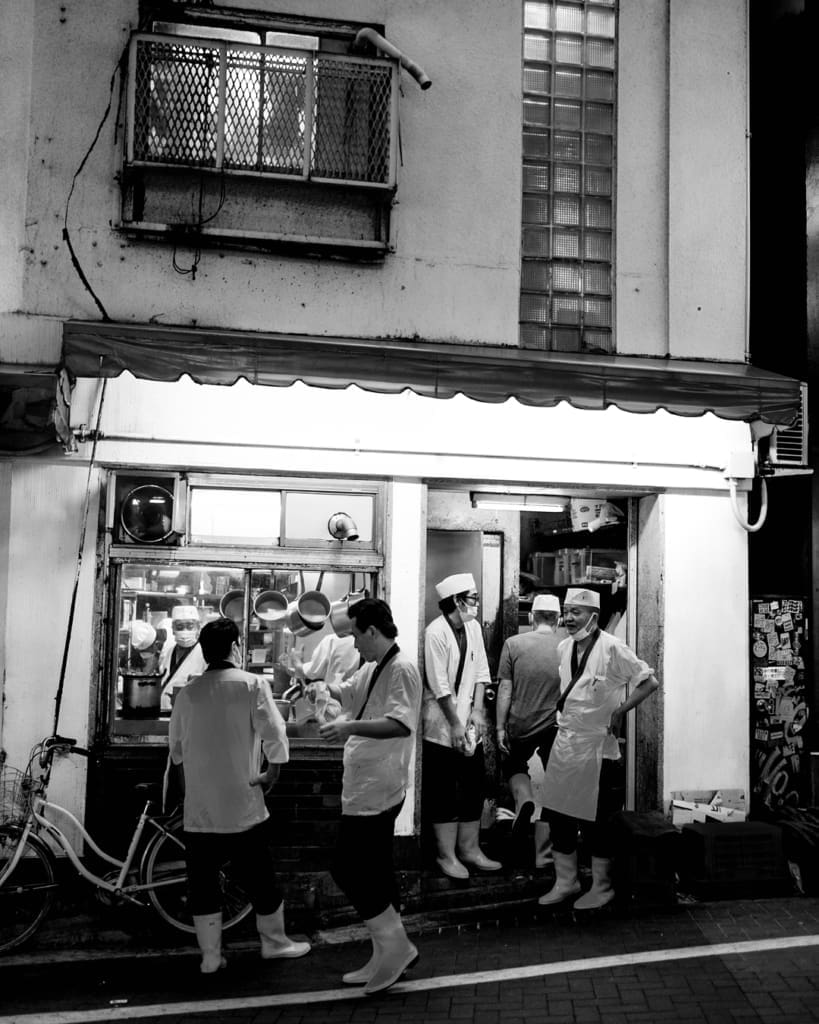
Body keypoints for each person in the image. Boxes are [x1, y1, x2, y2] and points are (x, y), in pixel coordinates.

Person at [168, 617, 310, 975]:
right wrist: (271, 773)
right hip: (243, 803)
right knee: (260, 878)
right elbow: (275, 734)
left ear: (202, 651)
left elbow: (177, 751)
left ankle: (211, 956)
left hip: (200, 810)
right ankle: (275, 944)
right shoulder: (251, 685)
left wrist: (190, 796)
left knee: (202, 883)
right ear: (235, 647)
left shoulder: (188, 693)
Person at [305, 597, 422, 995]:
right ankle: (383, 953)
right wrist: (322, 689)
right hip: (364, 787)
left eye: (356, 635)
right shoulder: (375, 667)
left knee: (348, 869)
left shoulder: (403, 669)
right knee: (374, 871)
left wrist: (348, 727)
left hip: (379, 790)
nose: (354, 644)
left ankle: (397, 948)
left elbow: (399, 724)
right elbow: (348, 692)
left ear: (372, 631)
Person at [537, 587, 660, 910]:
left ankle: (602, 887)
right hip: (565, 746)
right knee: (560, 818)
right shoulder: (564, 648)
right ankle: (567, 882)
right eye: (566, 611)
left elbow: (649, 682)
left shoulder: (613, 648)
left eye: (575, 613)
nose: (568, 618)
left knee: (597, 824)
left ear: (593, 616)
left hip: (599, 750)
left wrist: (620, 712)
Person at [422, 572, 502, 879]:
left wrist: (478, 713)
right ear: (456, 601)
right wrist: (455, 724)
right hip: (440, 726)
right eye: (473, 599)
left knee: (473, 787)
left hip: (469, 724)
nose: (477, 605)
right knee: (443, 790)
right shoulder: (435, 633)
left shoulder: (473, 628)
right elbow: (439, 685)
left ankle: (470, 850)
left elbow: (482, 671)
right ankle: (446, 855)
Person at [495, 593, 563, 868]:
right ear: (557, 618)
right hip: (555, 725)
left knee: (514, 765)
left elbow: (505, 688)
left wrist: (500, 727)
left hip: (520, 723)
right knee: (557, 788)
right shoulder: (568, 645)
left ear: (531, 617)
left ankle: (524, 799)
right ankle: (544, 855)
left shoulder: (513, 644)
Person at [159, 605, 208, 711]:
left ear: (198, 628)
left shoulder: (205, 653)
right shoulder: (169, 652)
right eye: (179, 627)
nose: (184, 631)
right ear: (173, 629)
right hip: (165, 711)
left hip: (190, 712)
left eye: (190, 626)